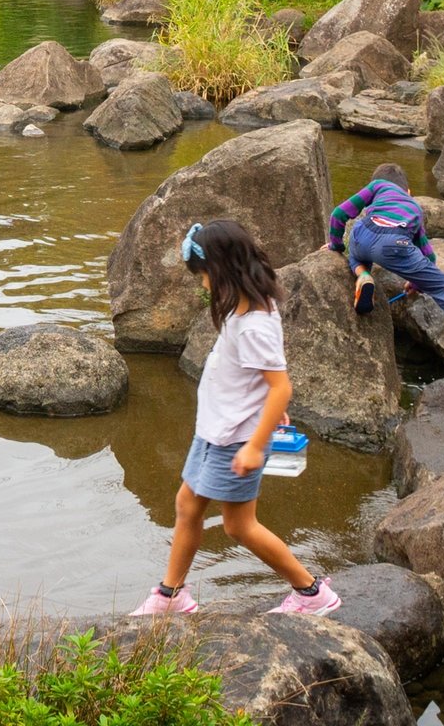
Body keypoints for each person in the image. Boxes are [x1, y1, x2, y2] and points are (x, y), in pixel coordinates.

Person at [132, 219, 341, 618]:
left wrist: (255, 446)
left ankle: (311, 592)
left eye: (204, 275)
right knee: (187, 504)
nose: (203, 284)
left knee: (239, 526)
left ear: (223, 270)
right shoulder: (242, 309)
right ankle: (171, 595)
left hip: (236, 438)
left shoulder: (254, 325)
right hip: (215, 431)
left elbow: (281, 386)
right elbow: (259, 378)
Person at [324, 164, 444, 369]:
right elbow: (428, 255)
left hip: (362, 237)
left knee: (356, 247)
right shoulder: (414, 207)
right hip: (394, 243)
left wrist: (336, 245)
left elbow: (338, 214)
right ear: (408, 191)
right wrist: (416, 281)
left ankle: (362, 275)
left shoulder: (376, 187)